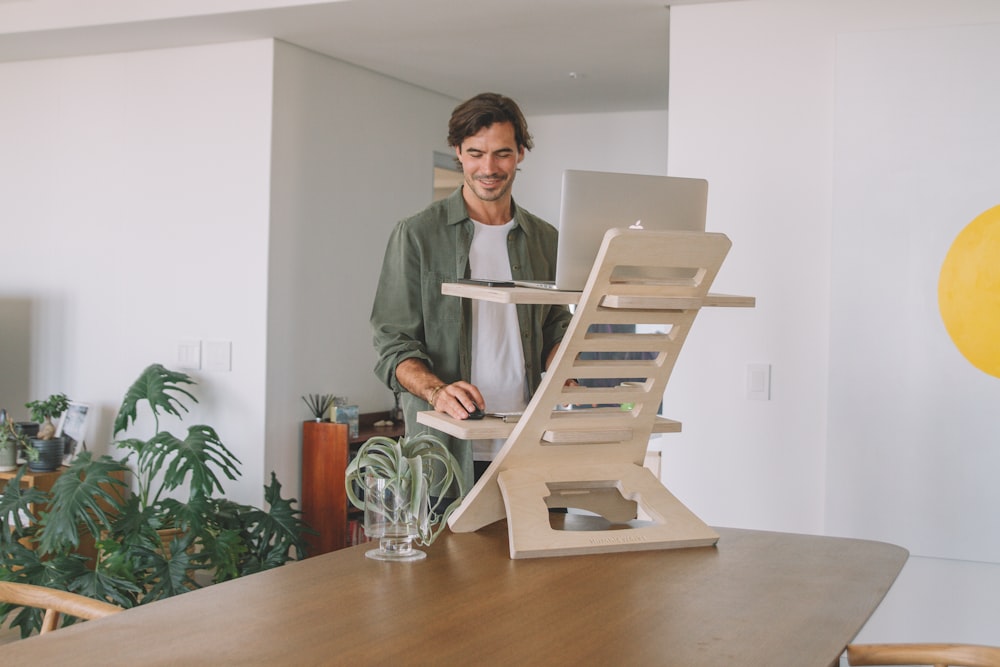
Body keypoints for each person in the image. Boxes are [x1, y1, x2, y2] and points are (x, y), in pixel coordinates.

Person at [370, 92, 572, 496]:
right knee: (448, 560)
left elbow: (556, 328)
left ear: (520, 155)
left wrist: (569, 367)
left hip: (527, 445)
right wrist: (436, 391)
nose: (489, 168)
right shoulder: (416, 235)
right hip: (443, 455)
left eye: (502, 154)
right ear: (458, 153)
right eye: (476, 153)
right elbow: (393, 343)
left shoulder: (546, 239)